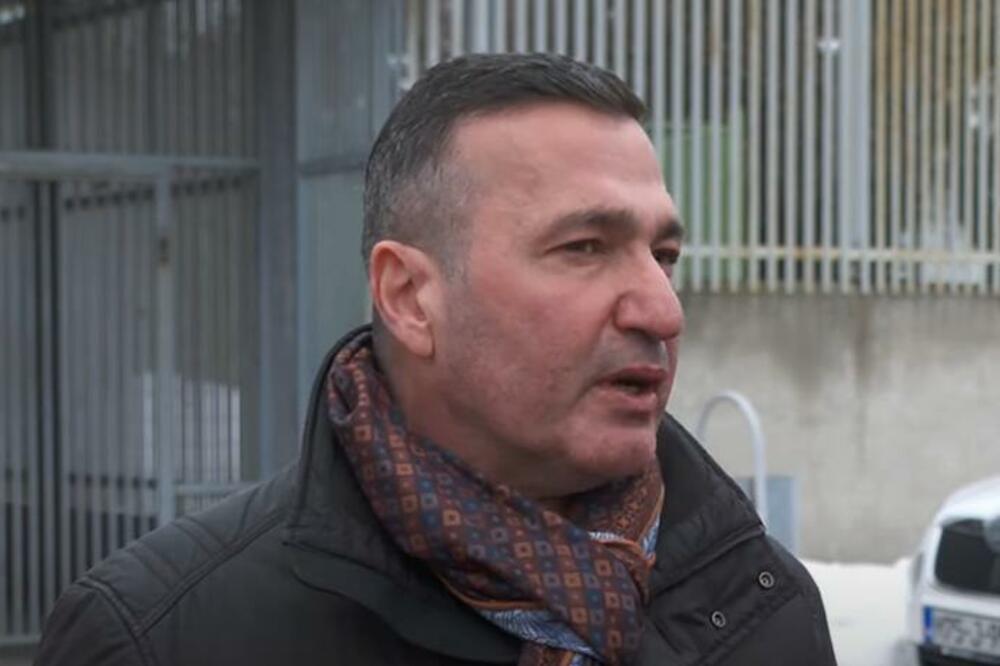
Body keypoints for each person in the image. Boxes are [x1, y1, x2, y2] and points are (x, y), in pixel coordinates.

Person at [36, 53, 836, 666]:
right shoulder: (161, 637)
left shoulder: (762, 608)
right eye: (584, 247)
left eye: (663, 255)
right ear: (410, 296)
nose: (662, 311)